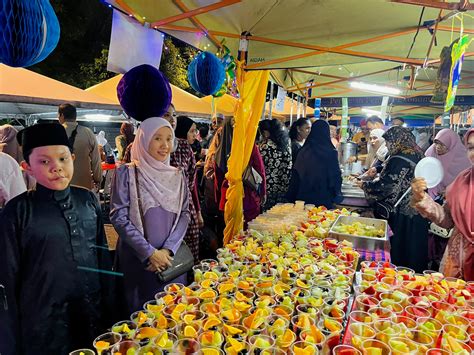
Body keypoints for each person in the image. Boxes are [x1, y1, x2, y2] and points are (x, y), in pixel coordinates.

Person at [0, 123, 111, 354]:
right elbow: (7, 279)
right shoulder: (17, 211)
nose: (56, 168)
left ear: (72, 157)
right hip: (42, 324)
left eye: (62, 159)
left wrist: (111, 310)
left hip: (91, 314)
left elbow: (103, 260)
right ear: (26, 167)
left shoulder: (88, 200)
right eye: (44, 161)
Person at [110, 117, 190, 312]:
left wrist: (167, 251)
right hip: (139, 260)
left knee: (173, 313)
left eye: (169, 139)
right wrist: (149, 253)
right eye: (157, 138)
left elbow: (185, 215)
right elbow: (118, 217)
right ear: (143, 140)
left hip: (171, 260)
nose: (165, 145)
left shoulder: (177, 176)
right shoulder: (125, 174)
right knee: (141, 319)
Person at [359, 126, 428, 273]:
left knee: (402, 247)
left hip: (402, 212)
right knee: (414, 246)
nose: (388, 145)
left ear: (396, 141)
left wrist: (364, 185)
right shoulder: (418, 153)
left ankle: (398, 277)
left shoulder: (398, 157)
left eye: (389, 142)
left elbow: (386, 186)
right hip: (419, 208)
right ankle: (415, 278)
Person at [411, 128, 473, 281]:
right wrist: (422, 199)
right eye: (471, 147)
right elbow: (448, 219)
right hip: (456, 261)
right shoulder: (463, 180)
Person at [215, 117, 266, 227]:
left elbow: (218, 180)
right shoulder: (249, 146)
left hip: (228, 197)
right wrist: (263, 192)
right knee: (248, 237)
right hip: (248, 197)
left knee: (231, 232)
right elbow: (260, 170)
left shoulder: (220, 150)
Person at [287, 120, 343, 209]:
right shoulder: (331, 152)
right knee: (321, 221)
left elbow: (296, 174)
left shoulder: (303, 151)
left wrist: (291, 197)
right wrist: (337, 193)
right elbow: (336, 175)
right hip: (324, 196)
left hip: (304, 196)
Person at [171, 115, 203, 264]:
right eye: (192, 131)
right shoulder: (183, 147)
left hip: (183, 205)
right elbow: (191, 183)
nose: (194, 135)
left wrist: (197, 210)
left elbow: (192, 183)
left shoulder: (186, 148)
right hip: (178, 207)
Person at [58, 103, 102, 190]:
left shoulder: (54, 133)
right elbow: (96, 160)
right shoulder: (88, 132)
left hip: (61, 185)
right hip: (84, 185)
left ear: (62, 115)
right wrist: (98, 179)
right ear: (75, 116)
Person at [259, 119, 292, 211]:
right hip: (283, 188)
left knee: (266, 217)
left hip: (268, 188)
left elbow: (260, 168)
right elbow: (288, 167)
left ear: (266, 132)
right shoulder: (286, 145)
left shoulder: (265, 146)